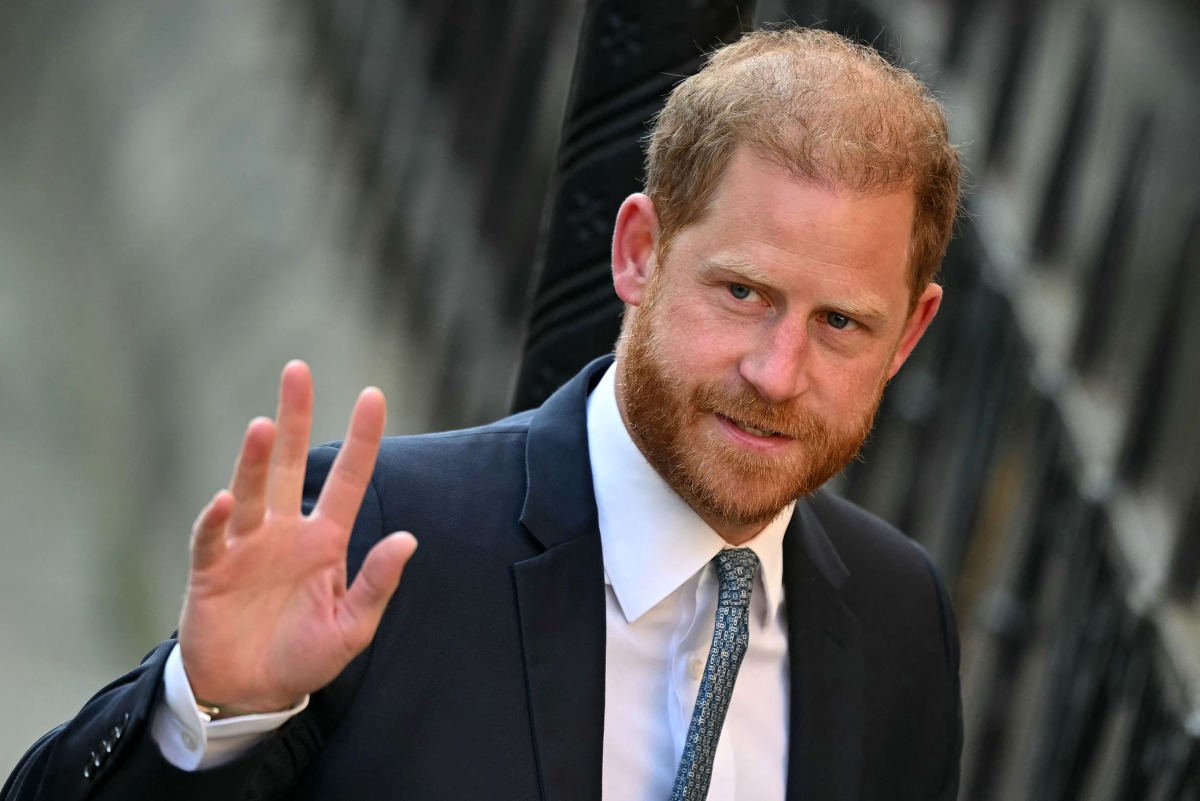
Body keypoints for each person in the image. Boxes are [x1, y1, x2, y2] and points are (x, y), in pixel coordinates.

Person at [3, 27, 962, 801]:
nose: (778, 371)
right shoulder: (384, 535)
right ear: (638, 253)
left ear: (911, 335)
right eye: (743, 293)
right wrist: (206, 712)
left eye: (840, 322)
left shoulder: (897, 614)